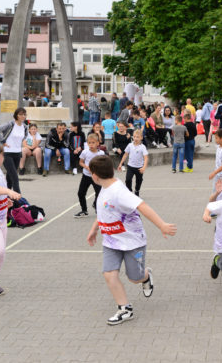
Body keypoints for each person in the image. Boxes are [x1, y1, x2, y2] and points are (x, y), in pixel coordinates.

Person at [86, 155, 177, 325]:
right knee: (109, 274)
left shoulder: (119, 192)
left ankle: (146, 276)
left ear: (95, 176)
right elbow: (104, 212)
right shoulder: (104, 189)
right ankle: (125, 309)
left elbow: (143, 206)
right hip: (111, 242)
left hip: (132, 242)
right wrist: (93, 229)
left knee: (134, 277)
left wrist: (162, 225)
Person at [0, 142, 21, 296]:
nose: (4, 157)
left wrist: (6, 201)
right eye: (3, 154)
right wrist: (8, 191)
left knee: (1, 253)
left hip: (1, 218)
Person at [0, 108, 28, 193]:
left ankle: (6, 196)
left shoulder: (25, 126)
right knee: (15, 177)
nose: (23, 116)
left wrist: (19, 144)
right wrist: (3, 141)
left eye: (24, 114)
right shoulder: (10, 124)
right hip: (7, 153)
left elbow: (25, 136)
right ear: (16, 115)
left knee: (10, 178)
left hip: (17, 153)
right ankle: (18, 199)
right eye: (20, 114)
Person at [74, 133, 105, 218]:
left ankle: (96, 206)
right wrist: (86, 167)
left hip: (97, 177)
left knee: (99, 193)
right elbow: (81, 162)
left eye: (93, 142)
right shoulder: (85, 152)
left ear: (98, 143)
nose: (91, 145)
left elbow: (103, 163)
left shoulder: (101, 153)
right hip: (86, 176)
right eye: (89, 143)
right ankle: (84, 210)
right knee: (81, 193)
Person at [118, 129, 148, 197]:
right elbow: (125, 154)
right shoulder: (130, 145)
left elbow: (146, 158)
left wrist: (143, 167)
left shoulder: (143, 147)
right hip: (130, 166)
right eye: (134, 137)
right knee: (128, 180)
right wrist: (120, 164)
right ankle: (129, 192)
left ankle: (137, 190)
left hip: (139, 167)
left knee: (139, 181)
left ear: (141, 137)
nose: (135, 138)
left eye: (137, 137)